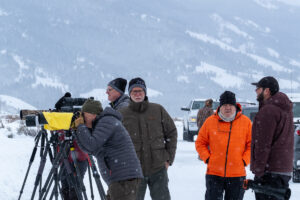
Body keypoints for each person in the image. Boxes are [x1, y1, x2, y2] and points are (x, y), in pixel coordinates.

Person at [119, 77, 177, 200]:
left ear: (145, 92)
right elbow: (116, 141)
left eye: (140, 91)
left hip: (158, 168)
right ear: (129, 94)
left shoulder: (158, 110)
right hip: (134, 171)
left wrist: (168, 159)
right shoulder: (122, 114)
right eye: (134, 91)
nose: (138, 94)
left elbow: (171, 132)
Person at [74, 98, 143, 200]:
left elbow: (92, 144)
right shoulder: (103, 123)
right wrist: (78, 129)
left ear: (92, 114)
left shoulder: (107, 121)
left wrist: (80, 127)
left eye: (83, 115)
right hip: (120, 179)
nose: (82, 118)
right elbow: (89, 149)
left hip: (123, 179)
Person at [195, 91, 252, 200]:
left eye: (230, 105)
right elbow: (200, 142)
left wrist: (244, 160)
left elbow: (252, 145)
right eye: (225, 105)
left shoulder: (246, 122)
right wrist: (207, 158)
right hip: (214, 174)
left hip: (237, 175)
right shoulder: (210, 122)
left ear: (235, 106)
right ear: (220, 107)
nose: (228, 108)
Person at [251, 76, 294, 200]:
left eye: (258, 89)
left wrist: (258, 171)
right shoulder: (285, 109)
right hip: (283, 170)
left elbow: (263, 144)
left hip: (270, 172)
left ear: (267, 91)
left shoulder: (269, 110)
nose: (256, 91)